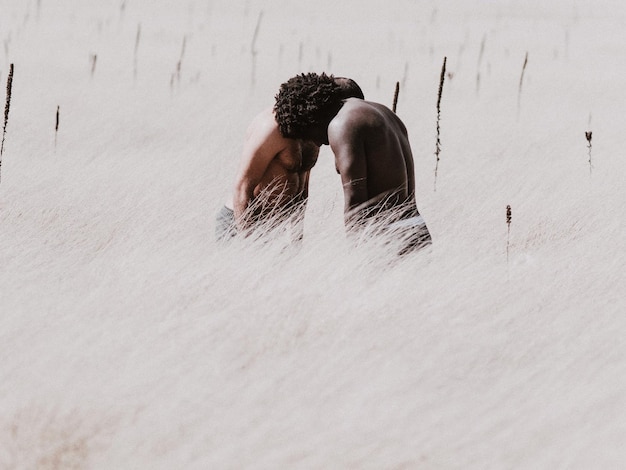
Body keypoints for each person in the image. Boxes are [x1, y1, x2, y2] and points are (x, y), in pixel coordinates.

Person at [273, 72, 431, 255]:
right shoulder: (384, 112)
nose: (317, 143)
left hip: (388, 238)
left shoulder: (342, 124)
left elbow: (356, 200)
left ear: (310, 114)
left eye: (309, 134)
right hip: (416, 228)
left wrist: (355, 254)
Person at [215, 77, 364, 242]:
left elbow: (302, 191)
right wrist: (248, 243)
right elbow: (242, 187)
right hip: (241, 223)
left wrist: (297, 238)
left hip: (275, 228)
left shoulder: (314, 132)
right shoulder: (272, 127)